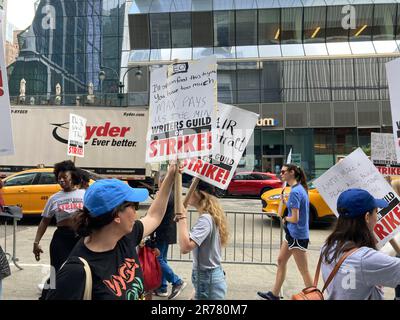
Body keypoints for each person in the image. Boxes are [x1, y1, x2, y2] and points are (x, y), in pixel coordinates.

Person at [45, 164, 176, 300]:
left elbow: (154, 216)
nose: (136, 212)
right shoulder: (75, 272)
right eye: (133, 206)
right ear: (116, 216)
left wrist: (171, 175)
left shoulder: (124, 237)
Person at [320, 188, 400, 299]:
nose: (377, 218)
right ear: (367, 217)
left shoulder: (327, 247)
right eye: (376, 212)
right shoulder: (365, 258)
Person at [257, 163, 313, 300]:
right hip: (292, 234)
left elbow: (295, 218)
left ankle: (314, 297)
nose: (280, 174)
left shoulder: (295, 191)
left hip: (296, 235)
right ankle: (274, 294)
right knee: (281, 261)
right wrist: (284, 202)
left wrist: (285, 218)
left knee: (304, 270)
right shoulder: (298, 189)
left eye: (283, 172)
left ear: (292, 172)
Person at [177, 180, 228, 300]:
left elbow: (185, 247)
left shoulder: (206, 219)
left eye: (191, 190)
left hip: (207, 278)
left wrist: (182, 218)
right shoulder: (209, 217)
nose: (187, 194)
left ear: (200, 194)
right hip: (207, 277)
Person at [33, 161, 85, 272]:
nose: (61, 180)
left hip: (81, 237)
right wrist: (36, 243)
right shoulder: (53, 198)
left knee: (81, 269)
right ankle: (53, 288)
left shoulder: (84, 195)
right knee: (56, 269)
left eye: (65, 177)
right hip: (61, 238)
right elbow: (44, 221)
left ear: (73, 177)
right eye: (59, 177)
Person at [152, 173, 186, 299]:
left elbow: (156, 215)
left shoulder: (166, 196)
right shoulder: (172, 194)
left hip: (162, 232)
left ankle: (176, 281)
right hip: (167, 232)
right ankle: (162, 287)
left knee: (158, 259)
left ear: (163, 182)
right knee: (162, 259)